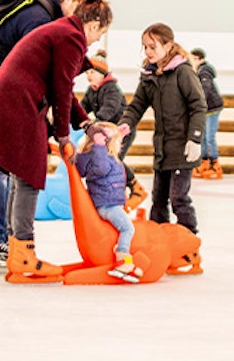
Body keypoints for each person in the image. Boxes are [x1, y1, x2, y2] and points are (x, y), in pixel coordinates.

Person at [0, 0, 113, 283]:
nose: (97, 40)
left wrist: (84, 125)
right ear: (93, 25)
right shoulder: (72, 37)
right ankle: (23, 252)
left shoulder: (62, 30)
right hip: (17, 99)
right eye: (101, 33)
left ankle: (16, 249)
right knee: (29, 175)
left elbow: (64, 91)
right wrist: (62, 136)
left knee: (22, 175)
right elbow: (60, 88)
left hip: (12, 96)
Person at [119, 23, 207, 233]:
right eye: (145, 47)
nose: (148, 52)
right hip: (162, 149)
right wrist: (124, 125)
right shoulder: (150, 75)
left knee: (179, 198)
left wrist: (194, 138)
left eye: (152, 46)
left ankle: (188, 243)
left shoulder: (182, 72)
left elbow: (199, 105)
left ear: (168, 46)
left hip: (183, 148)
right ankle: (158, 240)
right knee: (158, 200)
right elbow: (137, 105)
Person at [73, 120, 142, 284]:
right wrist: (99, 146)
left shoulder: (105, 155)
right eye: (116, 141)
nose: (119, 145)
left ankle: (121, 258)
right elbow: (101, 169)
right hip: (107, 205)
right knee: (127, 228)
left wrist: (119, 134)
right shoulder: (98, 157)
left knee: (125, 227)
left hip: (111, 202)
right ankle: (123, 260)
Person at [82, 51, 148, 210]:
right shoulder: (92, 90)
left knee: (114, 160)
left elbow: (109, 108)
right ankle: (121, 193)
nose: (89, 76)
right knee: (109, 160)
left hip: (121, 131)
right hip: (106, 133)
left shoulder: (111, 88)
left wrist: (97, 120)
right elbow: (83, 107)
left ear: (102, 73)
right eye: (87, 72)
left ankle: (136, 188)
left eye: (92, 72)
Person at [189, 47, 224, 179]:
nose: (191, 61)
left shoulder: (205, 72)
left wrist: (196, 102)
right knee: (202, 137)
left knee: (209, 137)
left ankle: (215, 164)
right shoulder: (196, 71)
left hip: (212, 108)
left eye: (193, 59)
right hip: (204, 109)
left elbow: (205, 89)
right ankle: (203, 162)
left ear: (201, 59)